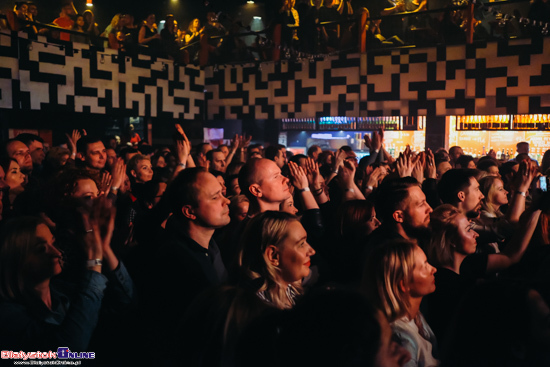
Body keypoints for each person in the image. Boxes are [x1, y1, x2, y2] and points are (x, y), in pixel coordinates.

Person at [0, 201, 134, 351]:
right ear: (15, 260)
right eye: (41, 249)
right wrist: (94, 260)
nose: (56, 253)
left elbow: (124, 301)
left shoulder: (64, 293)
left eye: (53, 243)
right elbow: (67, 352)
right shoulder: (8, 316)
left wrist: (104, 249)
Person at [425, 201, 542, 346]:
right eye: (468, 229)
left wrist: (536, 212)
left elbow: (509, 257)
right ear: (452, 240)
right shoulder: (445, 284)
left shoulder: (467, 264)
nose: (475, 234)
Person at [147, 168, 230, 350]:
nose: (227, 200)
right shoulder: (177, 260)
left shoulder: (211, 248)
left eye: (222, 194)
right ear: (189, 212)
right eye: (215, 197)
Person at [362, 240, 440, 367]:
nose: (434, 269)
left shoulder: (416, 317)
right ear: (404, 284)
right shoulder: (401, 338)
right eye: (424, 265)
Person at [238, 211, 315, 309]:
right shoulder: (257, 312)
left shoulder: (294, 293)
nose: (312, 251)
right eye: (301, 244)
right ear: (273, 256)